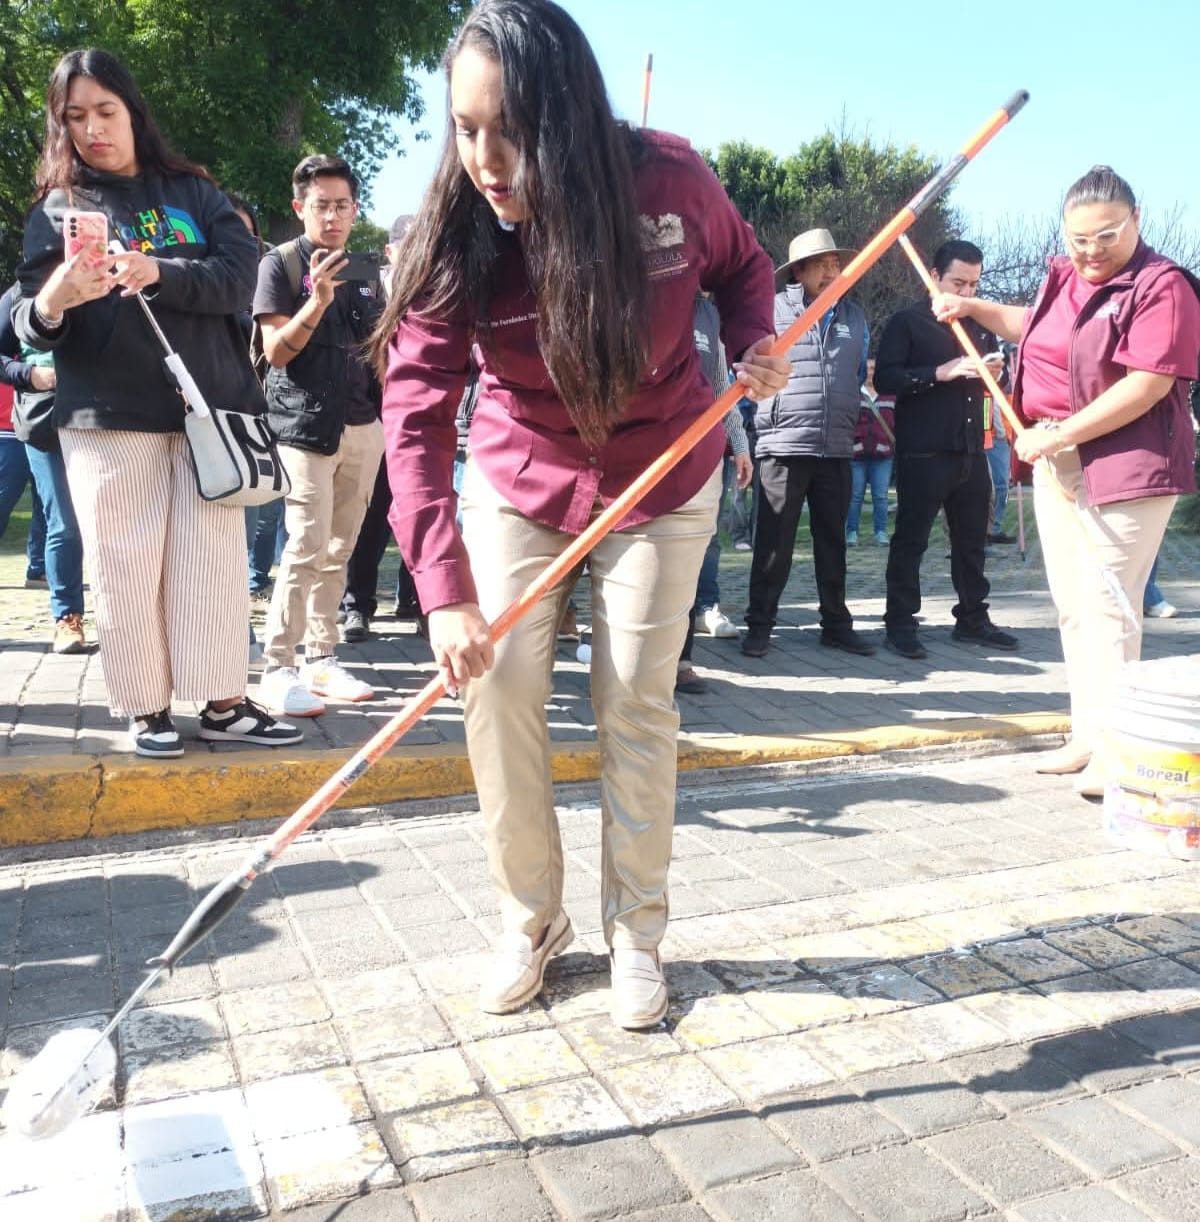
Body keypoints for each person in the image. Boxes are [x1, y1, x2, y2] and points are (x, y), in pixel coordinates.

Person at [371, 0, 786, 1029]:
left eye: (509, 128)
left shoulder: (669, 183)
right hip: (522, 472)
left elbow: (743, 267)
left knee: (635, 703)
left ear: (568, 111)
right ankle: (530, 918)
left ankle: (637, 934)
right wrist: (442, 594)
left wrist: (753, 339)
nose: (485, 158)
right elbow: (416, 410)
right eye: (465, 129)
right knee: (498, 684)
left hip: (663, 469)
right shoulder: (457, 225)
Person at [13, 48, 302, 756]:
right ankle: (144, 708)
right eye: (73, 116)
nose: (91, 129)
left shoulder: (194, 192)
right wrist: (54, 301)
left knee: (211, 565)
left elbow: (239, 280)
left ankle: (225, 702)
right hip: (106, 416)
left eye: (105, 111)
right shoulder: (56, 211)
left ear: (133, 110)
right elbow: (25, 317)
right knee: (124, 564)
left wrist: (156, 270)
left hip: (208, 410)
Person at [935, 167, 1200, 795]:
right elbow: (1034, 326)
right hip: (1057, 460)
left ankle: (1120, 748)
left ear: (1136, 220)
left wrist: (1060, 432)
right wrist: (972, 307)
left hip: (1128, 462)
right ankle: (1088, 732)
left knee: (1110, 603)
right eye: (1078, 238)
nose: (1091, 251)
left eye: (1105, 236)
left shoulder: (1162, 287)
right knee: (1075, 606)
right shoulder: (1064, 275)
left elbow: (1148, 383)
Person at [254, 154, 385, 716]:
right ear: (299, 207)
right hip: (304, 427)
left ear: (355, 210)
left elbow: (381, 348)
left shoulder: (365, 268)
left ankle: (320, 656)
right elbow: (275, 350)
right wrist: (317, 300)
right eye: (321, 205)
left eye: (342, 206)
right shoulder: (279, 265)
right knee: (305, 546)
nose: (332, 217)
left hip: (363, 424)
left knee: (341, 547)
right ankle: (277, 666)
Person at [875, 239, 1020, 660]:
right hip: (924, 451)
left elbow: (996, 386)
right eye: (959, 282)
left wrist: (997, 371)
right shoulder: (908, 322)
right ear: (935, 277)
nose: (967, 292)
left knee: (973, 542)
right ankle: (900, 623)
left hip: (971, 449)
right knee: (911, 541)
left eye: (974, 284)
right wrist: (942, 372)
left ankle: (973, 618)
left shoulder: (978, 324)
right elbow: (886, 379)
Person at [742, 228, 874, 659]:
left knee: (833, 540)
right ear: (798, 271)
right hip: (782, 444)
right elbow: (746, 370)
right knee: (773, 544)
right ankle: (759, 625)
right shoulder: (771, 311)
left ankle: (836, 624)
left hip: (835, 446)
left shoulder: (855, 318)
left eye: (836, 263)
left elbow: (855, 380)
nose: (831, 270)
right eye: (821, 264)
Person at [1, 284, 88, 654]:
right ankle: (67, 617)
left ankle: (134, 620)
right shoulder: (21, 292)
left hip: (110, 419)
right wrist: (30, 375)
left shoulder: (110, 279)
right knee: (64, 523)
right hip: (43, 422)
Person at [847, 387, 895, 546]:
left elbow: (897, 423)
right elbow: (847, 422)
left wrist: (889, 445)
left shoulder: (891, 396)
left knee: (881, 496)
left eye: (874, 368)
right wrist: (853, 445)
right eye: (867, 368)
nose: (871, 372)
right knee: (855, 496)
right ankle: (852, 532)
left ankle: (881, 532)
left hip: (883, 455)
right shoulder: (854, 394)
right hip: (856, 455)